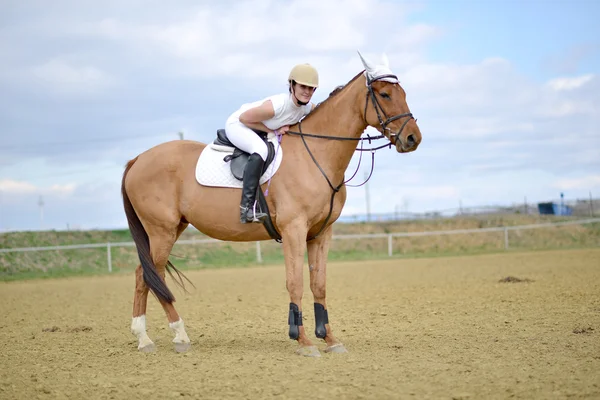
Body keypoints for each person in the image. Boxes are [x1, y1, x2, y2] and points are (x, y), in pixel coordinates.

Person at [225, 63, 319, 223]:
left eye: (311, 88)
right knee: (261, 150)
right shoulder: (277, 106)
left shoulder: (305, 108)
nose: (307, 92)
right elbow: (244, 118)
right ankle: (246, 208)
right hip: (240, 125)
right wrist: (273, 131)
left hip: (260, 129)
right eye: (303, 86)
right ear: (292, 85)